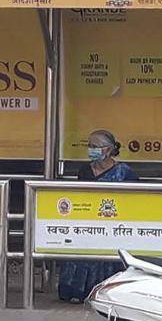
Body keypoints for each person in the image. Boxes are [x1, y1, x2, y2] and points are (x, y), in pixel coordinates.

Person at [57, 129, 137, 303]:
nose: (91, 150)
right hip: (87, 220)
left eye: (95, 146)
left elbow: (133, 200)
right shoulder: (85, 170)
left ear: (108, 150)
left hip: (114, 222)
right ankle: (76, 290)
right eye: (89, 146)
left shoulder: (124, 172)